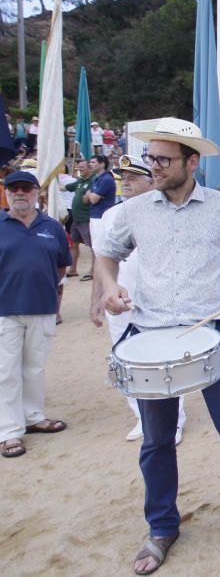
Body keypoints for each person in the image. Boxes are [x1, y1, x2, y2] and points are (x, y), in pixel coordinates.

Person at [96, 117, 220, 572]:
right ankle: (162, 527)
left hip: (212, 336)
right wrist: (108, 287)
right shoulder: (135, 210)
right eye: (151, 160)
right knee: (157, 441)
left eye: (162, 160)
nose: (154, 168)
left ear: (191, 162)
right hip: (151, 337)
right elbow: (107, 255)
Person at [89, 155, 187, 443]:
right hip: (118, 301)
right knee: (126, 359)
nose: (126, 184)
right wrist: (96, 298)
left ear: (150, 181)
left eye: (133, 178)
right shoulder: (110, 216)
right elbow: (101, 259)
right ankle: (142, 416)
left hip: (157, 300)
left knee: (166, 359)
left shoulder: (167, 212)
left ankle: (175, 418)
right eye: (124, 178)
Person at [0, 171, 71, 459]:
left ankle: (32, 417)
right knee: (6, 372)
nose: (19, 193)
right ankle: (9, 431)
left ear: (36, 193)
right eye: (13, 188)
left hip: (42, 308)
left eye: (25, 189)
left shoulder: (51, 227)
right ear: (6, 193)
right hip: (5, 310)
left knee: (35, 367)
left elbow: (62, 266)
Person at [63, 158, 94, 279]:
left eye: (82, 168)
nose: (80, 170)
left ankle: (93, 270)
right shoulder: (80, 181)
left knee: (92, 246)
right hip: (77, 219)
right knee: (74, 243)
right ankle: (73, 269)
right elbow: (65, 187)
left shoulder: (93, 180)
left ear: (89, 168)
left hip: (86, 218)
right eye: (78, 168)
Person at [84, 154, 118, 261]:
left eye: (94, 162)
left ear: (102, 164)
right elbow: (85, 199)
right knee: (95, 247)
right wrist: (90, 195)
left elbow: (93, 199)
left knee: (101, 248)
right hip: (94, 215)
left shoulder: (107, 179)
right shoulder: (96, 179)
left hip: (102, 216)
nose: (91, 164)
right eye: (91, 162)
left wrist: (90, 194)